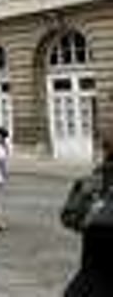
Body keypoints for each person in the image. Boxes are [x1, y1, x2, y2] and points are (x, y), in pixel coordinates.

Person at [62, 127, 113, 296]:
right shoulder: (92, 182)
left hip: (93, 271)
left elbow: (69, 218)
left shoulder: (90, 182)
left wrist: (92, 218)